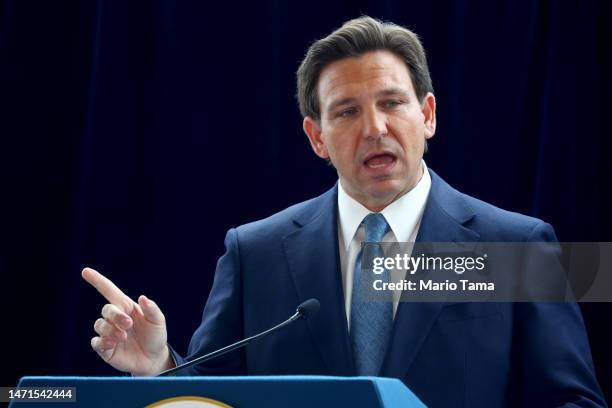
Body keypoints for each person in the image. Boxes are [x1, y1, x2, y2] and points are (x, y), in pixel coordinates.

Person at [82, 16, 606, 407]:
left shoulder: (516, 245)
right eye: (348, 112)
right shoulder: (255, 251)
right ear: (317, 138)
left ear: (427, 114)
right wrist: (160, 367)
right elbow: (217, 399)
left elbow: (575, 402)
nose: (374, 127)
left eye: (392, 103)